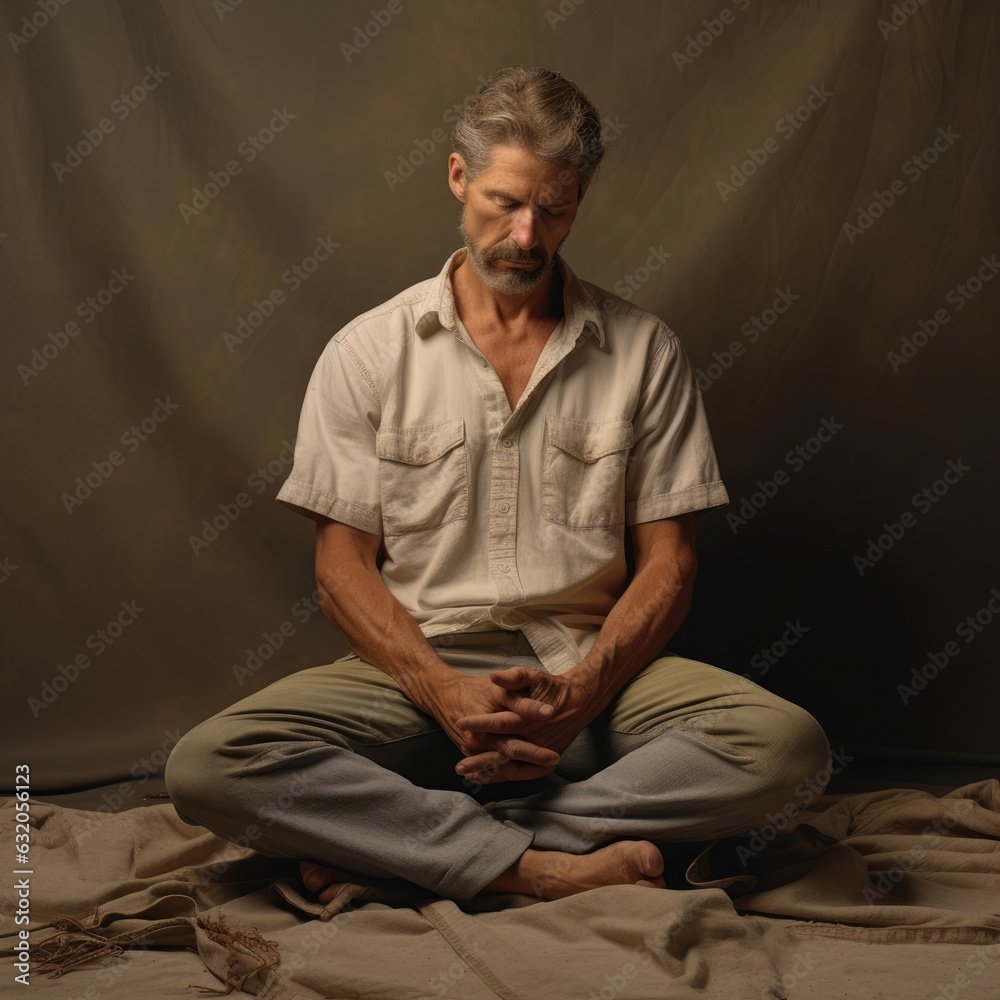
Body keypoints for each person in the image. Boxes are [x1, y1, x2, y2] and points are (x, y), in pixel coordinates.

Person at [164, 66, 830, 905]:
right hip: (415, 678)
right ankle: (545, 864)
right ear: (457, 176)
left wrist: (580, 695)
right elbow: (341, 571)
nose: (525, 235)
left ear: (580, 197)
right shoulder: (368, 352)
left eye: (552, 208)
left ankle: (414, 848)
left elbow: (671, 566)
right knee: (208, 766)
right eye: (503, 202)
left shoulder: (645, 351)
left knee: (786, 747)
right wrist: (441, 689)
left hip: (590, 680)